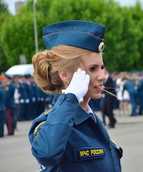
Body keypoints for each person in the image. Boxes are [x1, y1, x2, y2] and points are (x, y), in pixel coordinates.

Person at [28, 20, 122, 171]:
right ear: (65, 75)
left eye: (102, 67)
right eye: (93, 69)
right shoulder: (49, 123)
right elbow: (47, 153)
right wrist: (70, 98)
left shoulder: (90, 119)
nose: (103, 76)